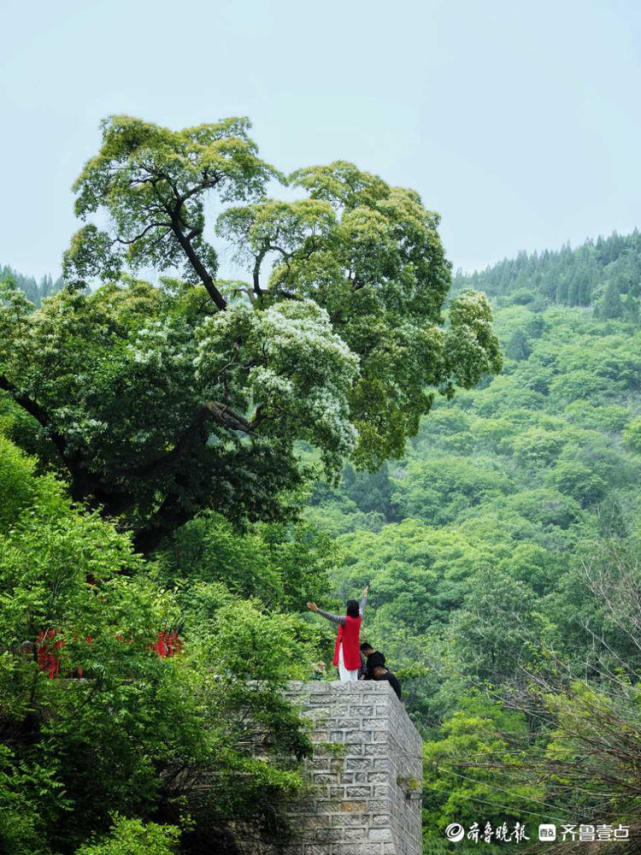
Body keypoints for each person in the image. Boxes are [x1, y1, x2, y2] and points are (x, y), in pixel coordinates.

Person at [307, 585, 369, 682]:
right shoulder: (359, 617)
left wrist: (317, 610)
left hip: (345, 648)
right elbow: (362, 607)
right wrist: (365, 596)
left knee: (344, 667)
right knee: (353, 668)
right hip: (354, 647)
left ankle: (346, 686)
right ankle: (354, 685)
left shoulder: (345, 620)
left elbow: (331, 617)